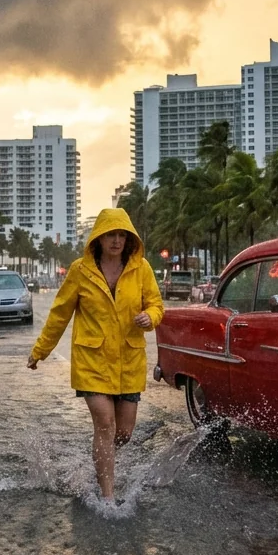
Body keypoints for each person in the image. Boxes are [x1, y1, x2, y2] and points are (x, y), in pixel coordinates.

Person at [27, 208, 163, 503]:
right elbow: (59, 315)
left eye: (121, 235)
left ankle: (101, 460)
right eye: (110, 235)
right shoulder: (80, 270)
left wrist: (149, 317)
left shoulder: (142, 269)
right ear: (98, 239)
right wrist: (40, 351)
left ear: (128, 239)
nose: (116, 240)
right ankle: (107, 497)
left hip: (129, 361)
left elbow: (156, 305)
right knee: (104, 423)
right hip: (92, 361)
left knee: (123, 432)